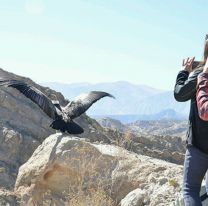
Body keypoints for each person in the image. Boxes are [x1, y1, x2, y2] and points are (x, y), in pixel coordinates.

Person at [174, 35, 208, 205]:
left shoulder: (200, 75)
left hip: (199, 146)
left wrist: (184, 72)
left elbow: (180, 94)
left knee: (191, 190)